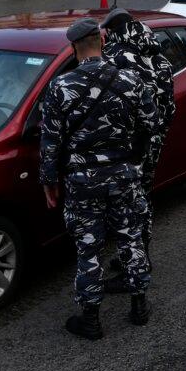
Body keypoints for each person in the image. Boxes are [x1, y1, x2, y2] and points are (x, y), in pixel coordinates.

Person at [39, 18, 158, 340]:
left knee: (88, 249)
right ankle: (138, 306)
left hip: (82, 181)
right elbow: (151, 124)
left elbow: (51, 140)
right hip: (124, 175)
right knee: (130, 238)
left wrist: (49, 181)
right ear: (102, 42)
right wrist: (136, 159)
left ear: (74, 48)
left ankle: (91, 318)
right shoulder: (132, 80)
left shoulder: (61, 87)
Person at [99, 8, 176, 291]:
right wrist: (156, 135)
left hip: (126, 146)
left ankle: (132, 267)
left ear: (114, 32)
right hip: (153, 142)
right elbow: (169, 109)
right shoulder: (159, 59)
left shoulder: (116, 60)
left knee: (125, 206)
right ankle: (140, 257)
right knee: (143, 197)